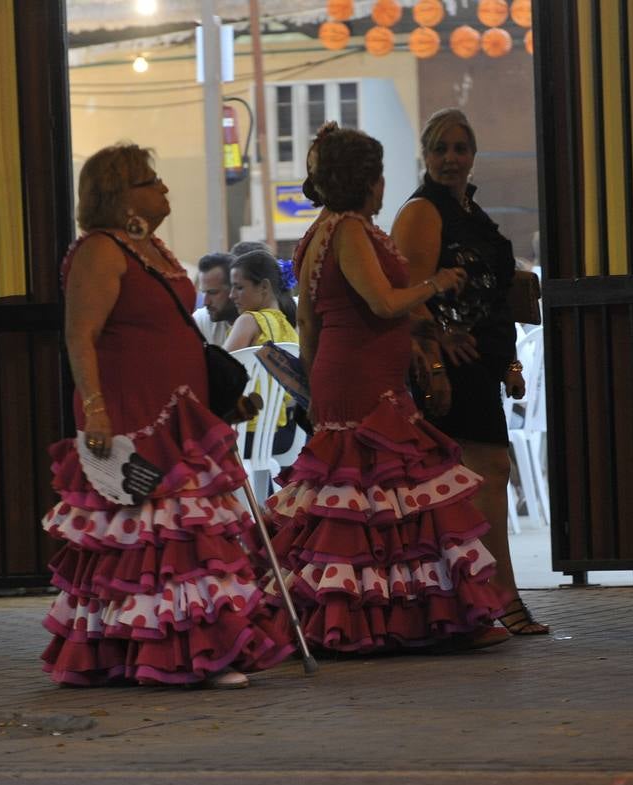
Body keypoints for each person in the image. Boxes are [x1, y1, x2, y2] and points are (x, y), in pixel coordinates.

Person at [40, 143, 293, 687]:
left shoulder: (148, 247)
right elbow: (79, 334)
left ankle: (191, 648)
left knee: (183, 535)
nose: (163, 188)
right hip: (133, 412)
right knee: (152, 537)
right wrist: (97, 409)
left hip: (180, 408)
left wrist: (219, 400)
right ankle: (171, 652)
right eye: (149, 180)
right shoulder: (100, 252)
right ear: (119, 194)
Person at [263, 123, 510, 653]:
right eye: (378, 173)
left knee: (375, 495)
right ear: (367, 178)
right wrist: (437, 284)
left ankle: (381, 613)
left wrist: (317, 380)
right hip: (362, 376)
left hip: (344, 370)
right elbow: (381, 302)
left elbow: (310, 324)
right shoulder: (349, 230)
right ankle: (375, 617)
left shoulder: (319, 233)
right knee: (378, 492)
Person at [391, 107, 549, 635]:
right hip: (449, 366)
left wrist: (506, 359)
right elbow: (407, 296)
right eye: (440, 149)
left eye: (460, 148)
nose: (451, 158)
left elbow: (497, 295)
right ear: (425, 155)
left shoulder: (470, 212)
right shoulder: (422, 212)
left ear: (474, 154)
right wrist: (435, 349)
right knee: (482, 478)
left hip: (480, 361)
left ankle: (479, 601)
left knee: (480, 480)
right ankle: (499, 598)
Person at [223, 249, 301, 456]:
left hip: (243, 432)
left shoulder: (249, 320)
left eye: (239, 287)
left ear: (264, 286)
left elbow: (218, 372)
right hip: (279, 433)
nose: (232, 295)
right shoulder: (288, 326)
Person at [193, 252, 237, 346]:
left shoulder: (261, 323)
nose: (206, 302)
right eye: (203, 292)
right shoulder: (200, 320)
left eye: (213, 293)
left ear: (234, 289)